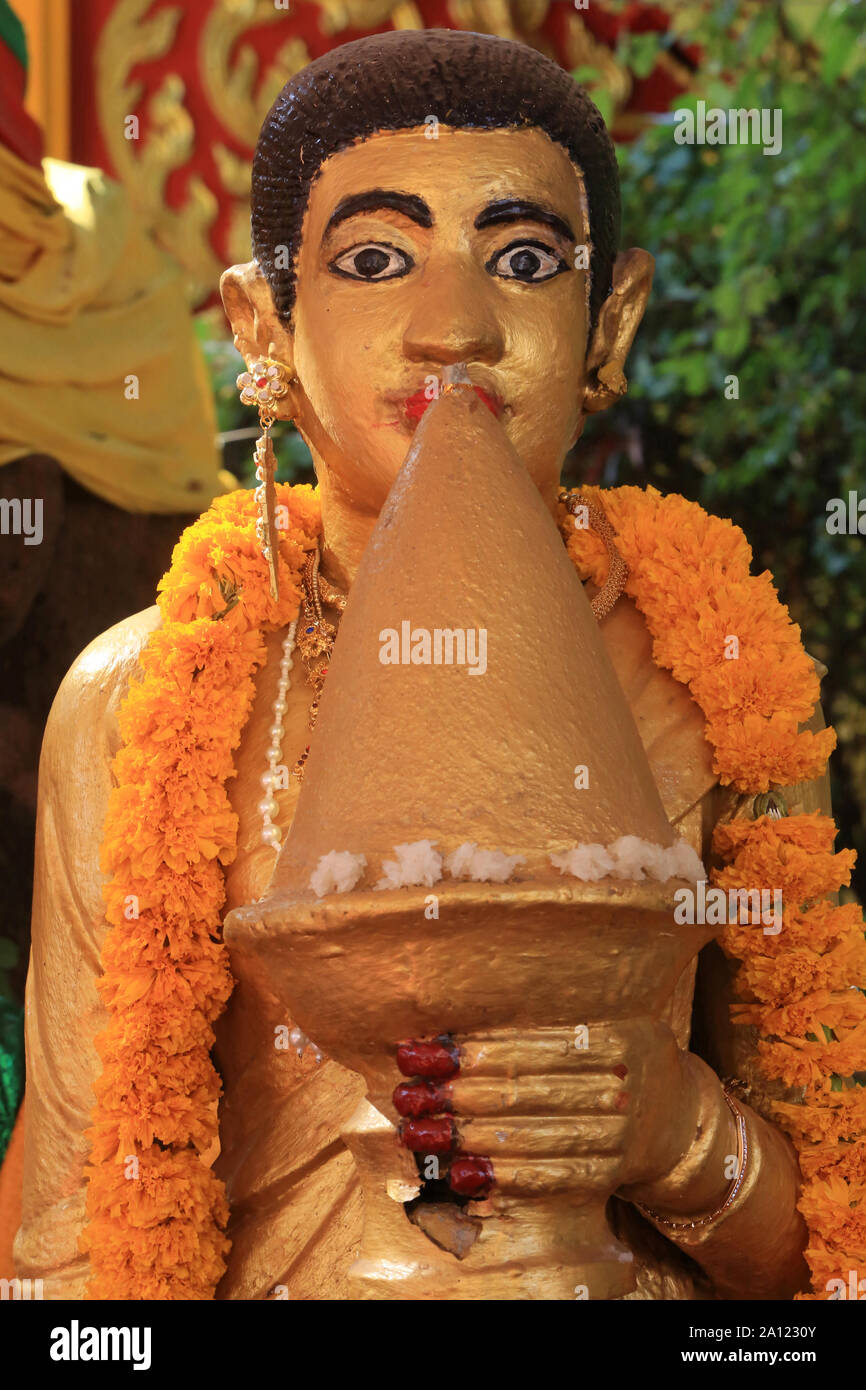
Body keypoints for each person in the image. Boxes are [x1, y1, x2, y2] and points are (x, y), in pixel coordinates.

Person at [15, 29, 842, 1301]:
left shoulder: (712, 681)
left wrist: (681, 1136)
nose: (452, 326)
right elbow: (67, 1254)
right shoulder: (136, 698)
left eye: (519, 261)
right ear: (265, 326)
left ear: (606, 318)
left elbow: (831, 1265)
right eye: (374, 260)